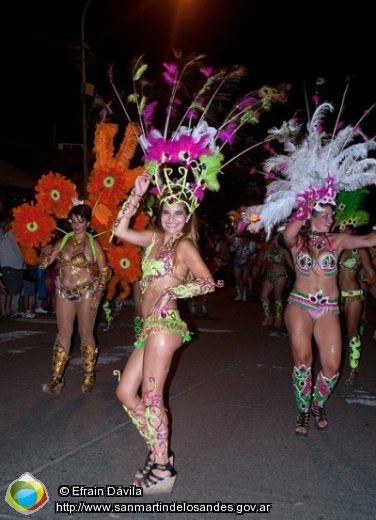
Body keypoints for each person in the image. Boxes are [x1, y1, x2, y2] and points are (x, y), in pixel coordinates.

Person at [114, 172, 222, 493]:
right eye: (166, 211)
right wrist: (135, 195)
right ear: (159, 213)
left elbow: (207, 282)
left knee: (151, 395)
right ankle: (159, 451)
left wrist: (172, 293)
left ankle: (162, 466)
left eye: (178, 213)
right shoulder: (154, 238)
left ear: (187, 216)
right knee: (125, 393)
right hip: (150, 326)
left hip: (166, 324)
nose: (172, 218)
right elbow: (119, 230)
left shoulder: (185, 245)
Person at [283, 202, 376, 437]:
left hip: (328, 309)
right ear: (311, 215)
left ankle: (317, 404)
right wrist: (307, 200)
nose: (330, 220)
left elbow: (368, 240)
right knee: (303, 361)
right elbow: (288, 234)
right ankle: (303, 410)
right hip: (300, 305)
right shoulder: (298, 241)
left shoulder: (338, 240)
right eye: (325, 215)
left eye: (331, 216)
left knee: (332, 366)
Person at [39, 204, 111, 394]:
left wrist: (99, 292)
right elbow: (45, 263)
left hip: (87, 291)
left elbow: (104, 271)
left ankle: (88, 375)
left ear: (88, 223)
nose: (76, 224)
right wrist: (45, 252)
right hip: (63, 291)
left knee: (85, 334)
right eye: (73, 220)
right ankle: (57, 377)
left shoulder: (93, 244)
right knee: (63, 332)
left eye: (81, 221)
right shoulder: (63, 240)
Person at [338, 226, 376, 384]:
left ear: (354, 231)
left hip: (353, 296)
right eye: (342, 227)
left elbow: (372, 274)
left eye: (348, 228)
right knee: (335, 331)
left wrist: (364, 281)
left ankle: (354, 368)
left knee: (352, 331)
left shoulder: (359, 250)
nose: (344, 230)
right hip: (334, 296)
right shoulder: (336, 248)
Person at [259, 231, 294, 327]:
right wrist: (264, 252)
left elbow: (290, 263)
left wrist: (300, 273)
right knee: (263, 295)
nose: (273, 240)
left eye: (275, 238)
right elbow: (261, 261)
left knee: (277, 296)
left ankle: (278, 317)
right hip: (269, 273)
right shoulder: (269, 249)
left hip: (280, 274)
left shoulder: (284, 250)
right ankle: (268, 315)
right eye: (273, 238)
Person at [0, 219, 25, 317]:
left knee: (12, 291)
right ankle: (3, 312)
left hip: (17, 265)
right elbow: (6, 227)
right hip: (8, 265)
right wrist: (20, 216)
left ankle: (8, 311)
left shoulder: (14, 235)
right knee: (5, 290)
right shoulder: (3, 234)